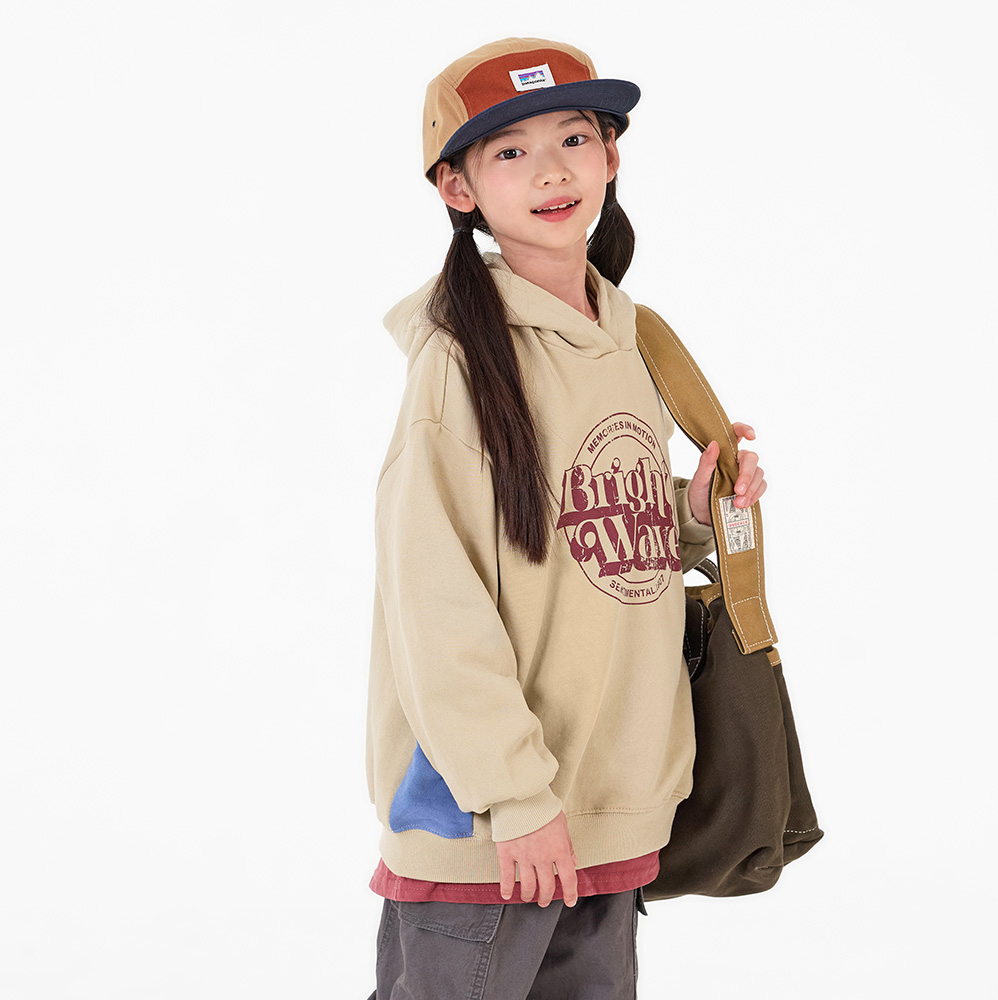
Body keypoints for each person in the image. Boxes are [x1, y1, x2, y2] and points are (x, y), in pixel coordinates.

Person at [364, 36, 767, 1000]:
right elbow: (436, 604)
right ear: (457, 188)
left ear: (611, 155)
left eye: (574, 138)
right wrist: (514, 795)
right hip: (494, 821)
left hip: (611, 802)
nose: (551, 169)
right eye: (509, 150)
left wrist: (692, 515)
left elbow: (587, 540)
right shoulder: (459, 363)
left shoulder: (630, 340)